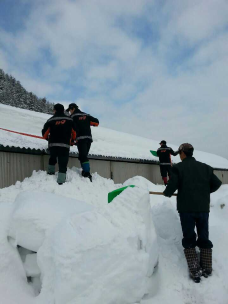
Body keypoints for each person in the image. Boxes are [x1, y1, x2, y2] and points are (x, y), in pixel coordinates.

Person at [163, 143, 222, 283]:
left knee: (189, 237)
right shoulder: (205, 168)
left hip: (186, 209)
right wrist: (204, 192)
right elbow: (217, 183)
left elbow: (172, 185)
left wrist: (167, 193)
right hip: (202, 209)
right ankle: (207, 267)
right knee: (203, 235)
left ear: (183, 153)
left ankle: (195, 270)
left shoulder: (178, 168)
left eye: (179, 152)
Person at [42, 103, 76, 185]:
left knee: (52, 159)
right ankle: (61, 182)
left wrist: (48, 138)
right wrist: (72, 141)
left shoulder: (50, 120)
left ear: (55, 110)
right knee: (63, 163)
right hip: (64, 146)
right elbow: (74, 133)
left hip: (53, 145)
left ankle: (50, 176)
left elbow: (44, 134)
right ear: (63, 110)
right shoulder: (69, 120)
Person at [66, 103, 99, 182]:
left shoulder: (72, 117)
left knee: (83, 156)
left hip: (80, 139)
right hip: (88, 139)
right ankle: (84, 171)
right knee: (83, 156)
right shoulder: (86, 115)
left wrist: (72, 140)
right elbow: (96, 122)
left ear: (72, 108)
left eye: (70, 110)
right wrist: (86, 123)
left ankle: (87, 173)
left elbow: (71, 129)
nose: (70, 112)